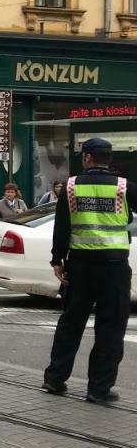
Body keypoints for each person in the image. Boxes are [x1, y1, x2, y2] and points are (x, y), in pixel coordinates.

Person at [42, 137, 137, 404]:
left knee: (70, 324)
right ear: (109, 158)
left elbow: (61, 227)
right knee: (110, 329)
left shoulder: (70, 187)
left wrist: (57, 260)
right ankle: (98, 389)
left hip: (80, 267)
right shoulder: (125, 188)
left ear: (86, 158)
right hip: (114, 269)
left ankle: (55, 378)